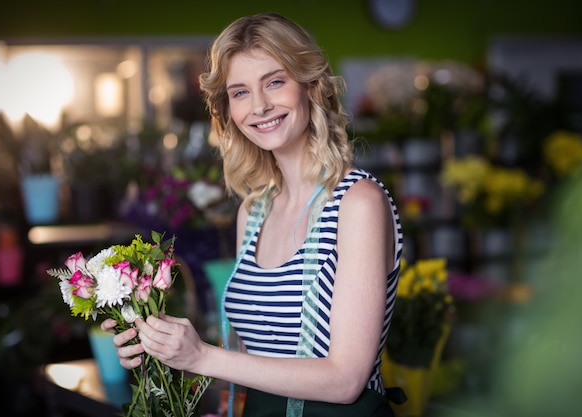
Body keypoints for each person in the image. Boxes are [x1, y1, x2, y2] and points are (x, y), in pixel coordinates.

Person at [101, 12, 403, 417]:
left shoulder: (358, 203)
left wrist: (202, 357)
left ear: (310, 86)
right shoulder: (253, 212)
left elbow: (346, 380)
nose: (259, 106)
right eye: (240, 92)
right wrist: (158, 341)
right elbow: (253, 362)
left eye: (274, 82)